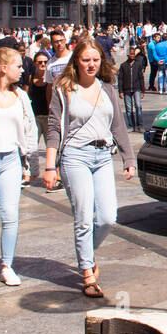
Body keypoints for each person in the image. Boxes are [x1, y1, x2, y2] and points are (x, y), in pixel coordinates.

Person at [44, 36, 137, 298]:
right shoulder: (65, 88)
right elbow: (53, 129)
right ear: (77, 61)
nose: (91, 65)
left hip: (103, 155)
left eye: (96, 60)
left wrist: (128, 159)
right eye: (86, 60)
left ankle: (86, 252)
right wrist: (50, 166)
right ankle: (87, 272)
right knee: (83, 216)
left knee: (108, 218)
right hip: (75, 156)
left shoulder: (106, 87)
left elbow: (118, 124)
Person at [0, 46, 38, 286]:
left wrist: (26, 157)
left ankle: (6, 265)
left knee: (10, 215)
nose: (22, 70)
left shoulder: (20, 95)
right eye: (18, 66)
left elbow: (30, 126)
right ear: (3, 68)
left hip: (10, 159)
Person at [26, 51, 50, 180]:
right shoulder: (30, 78)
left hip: (48, 117)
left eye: (45, 62)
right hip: (34, 117)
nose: (42, 64)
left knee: (51, 147)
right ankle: (29, 173)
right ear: (35, 63)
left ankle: (54, 175)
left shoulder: (50, 78)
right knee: (31, 147)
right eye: (39, 62)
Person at [118, 42, 147, 130]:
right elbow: (120, 79)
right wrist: (120, 91)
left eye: (133, 54)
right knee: (129, 109)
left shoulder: (138, 65)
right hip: (126, 90)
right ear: (127, 55)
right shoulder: (123, 65)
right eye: (131, 54)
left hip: (136, 88)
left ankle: (140, 125)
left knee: (138, 106)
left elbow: (141, 78)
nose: (132, 56)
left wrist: (142, 91)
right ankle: (131, 125)